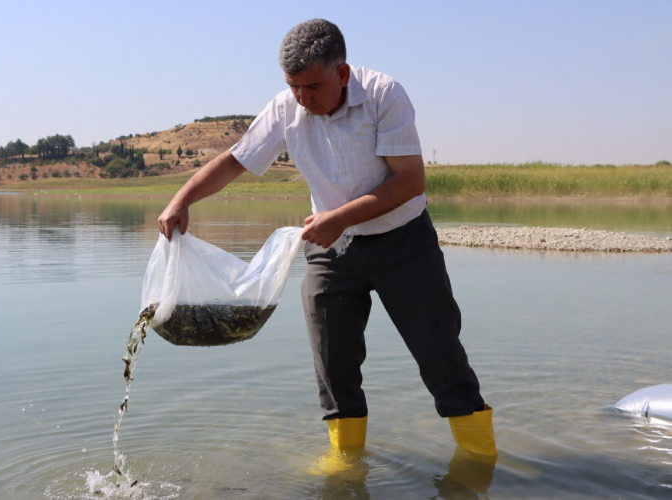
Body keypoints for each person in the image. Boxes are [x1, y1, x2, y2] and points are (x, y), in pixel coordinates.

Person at [158, 18, 497, 459]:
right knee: (332, 359)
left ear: (342, 72)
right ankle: (346, 464)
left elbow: (410, 181)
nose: (303, 99)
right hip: (332, 250)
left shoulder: (384, 94)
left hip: (404, 243)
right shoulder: (287, 107)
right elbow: (235, 161)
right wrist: (181, 200)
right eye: (293, 87)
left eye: (312, 87)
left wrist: (339, 216)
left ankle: (480, 462)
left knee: (440, 355)